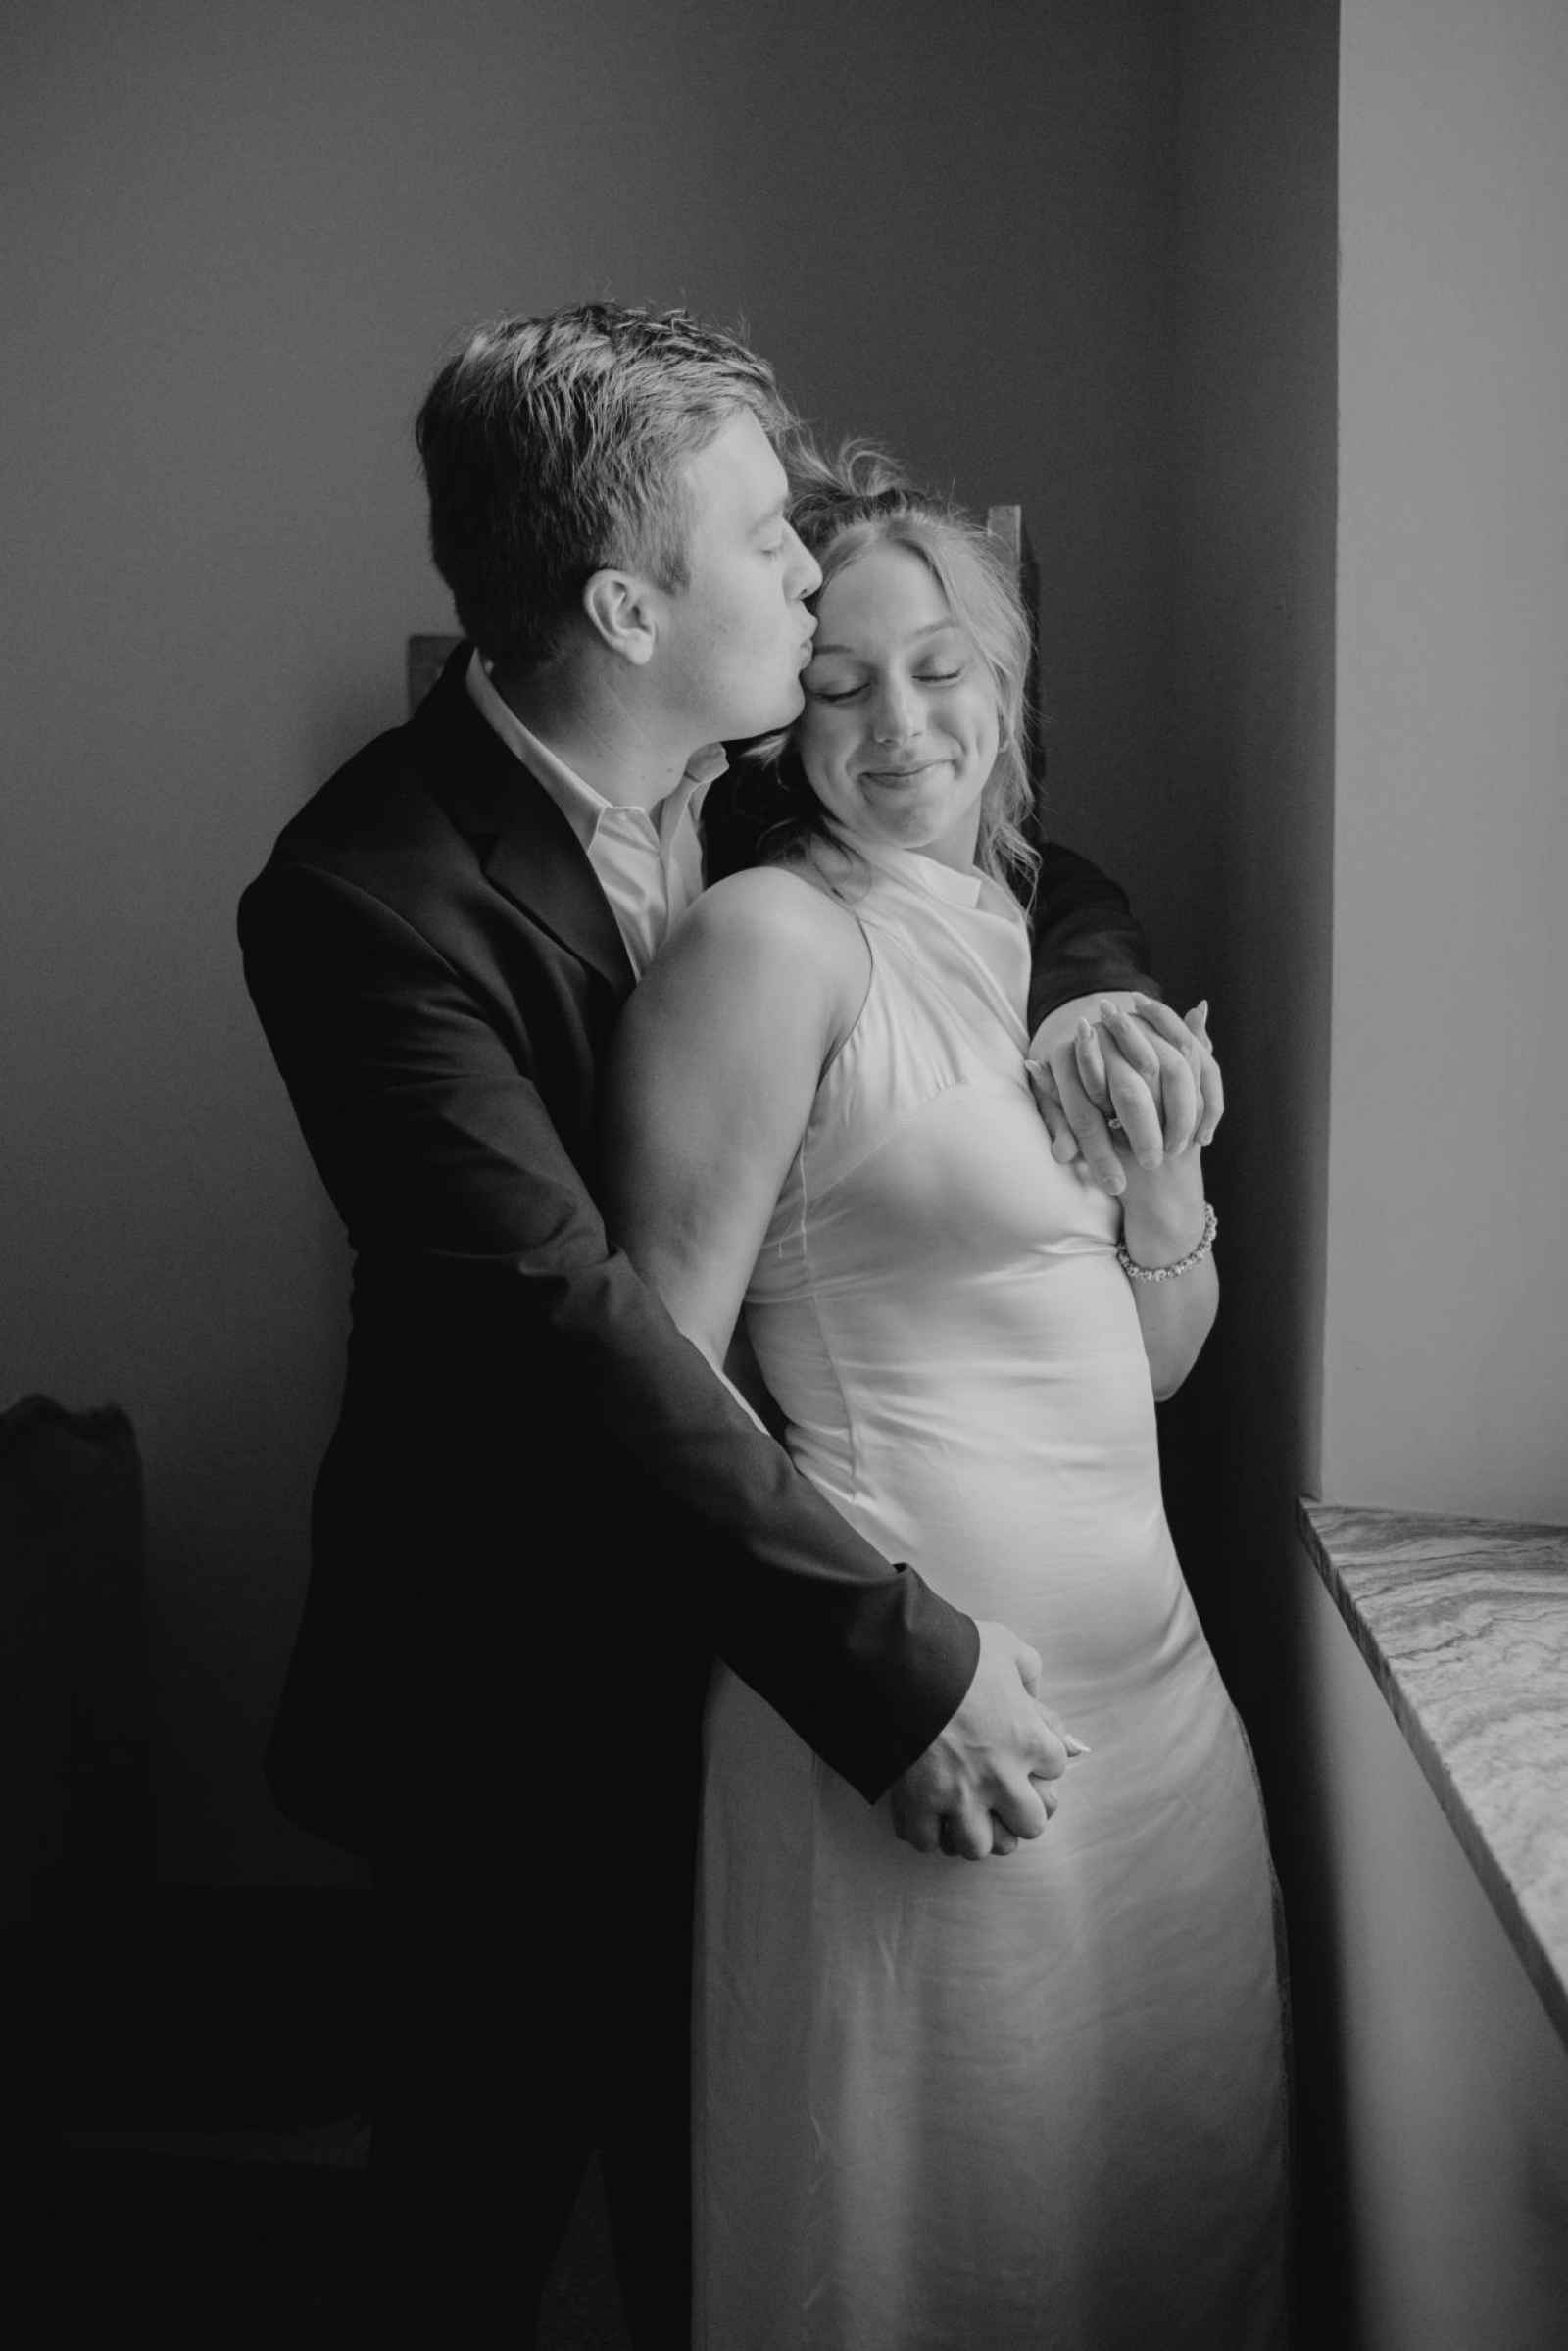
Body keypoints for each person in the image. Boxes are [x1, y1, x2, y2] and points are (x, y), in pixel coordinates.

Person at [237, 304, 1213, 2343]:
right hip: (519, 1684)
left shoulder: (753, 778)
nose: (803, 565)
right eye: (767, 540)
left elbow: (1024, 865)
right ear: (625, 606)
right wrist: (896, 1664)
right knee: (475, 2229)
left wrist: (1085, 996)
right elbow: (567, 1324)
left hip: (760, 1686)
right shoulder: (365, 897)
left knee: (756, 2214)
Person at [603, 444, 1288, 2348]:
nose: (899, 725)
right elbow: (652, 1380)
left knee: (1157, 2234)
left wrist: (1164, 1193)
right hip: (921, 1712)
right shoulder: (771, 944)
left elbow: (1144, 1366)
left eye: (938, 672)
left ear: (1004, 688)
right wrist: (879, 1679)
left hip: (1155, 1719)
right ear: (780, 717)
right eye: (838, 685)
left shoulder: (1024, 948)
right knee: (937, 2256)